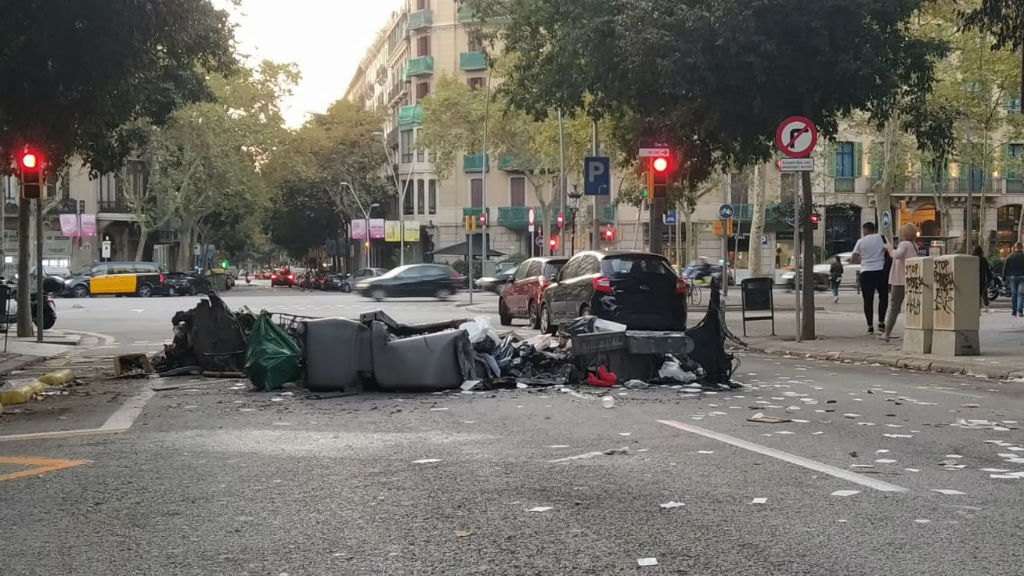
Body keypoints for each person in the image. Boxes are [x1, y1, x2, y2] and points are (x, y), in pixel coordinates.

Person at [882, 224, 919, 342]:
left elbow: (897, 255)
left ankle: (887, 333)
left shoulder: (904, 244)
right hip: (910, 279)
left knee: (894, 307)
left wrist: (889, 248)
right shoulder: (914, 246)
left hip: (899, 280)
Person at [851, 221, 889, 335]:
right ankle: (881, 323)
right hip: (880, 271)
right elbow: (889, 250)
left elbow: (854, 258)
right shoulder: (882, 238)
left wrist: (863, 259)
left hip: (866, 272)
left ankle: (870, 326)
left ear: (865, 230)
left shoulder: (860, 241)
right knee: (883, 298)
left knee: (868, 300)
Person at [1003, 242, 1024, 317]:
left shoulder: (1010, 256)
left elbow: (1005, 267)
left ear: (1015, 247)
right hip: (1022, 277)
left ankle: (1014, 311)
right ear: (1021, 247)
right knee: (1021, 294)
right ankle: (1020, 311)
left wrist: (1004, 277)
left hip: (1012, 277)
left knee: (1014, 294)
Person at [972, 245, 992, 310]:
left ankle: (977, 306)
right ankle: (980, 306)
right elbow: (987, 270)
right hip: (981, 280)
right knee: (981, 293)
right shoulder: (983, 260)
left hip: (973, 280)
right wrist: (990, 278)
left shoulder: (971, 260)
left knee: (975, 294)